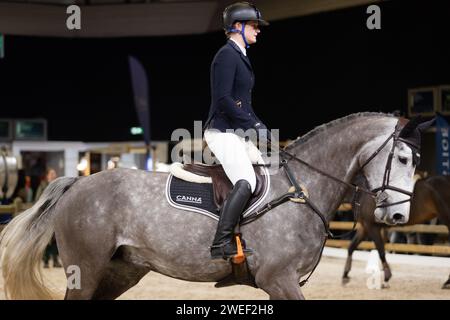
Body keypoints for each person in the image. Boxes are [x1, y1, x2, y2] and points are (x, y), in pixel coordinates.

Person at [203, 2, 269, 261]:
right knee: (247, 180)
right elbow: (223, 100)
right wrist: (254, 125)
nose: (258, 31)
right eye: (254, 26)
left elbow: (244, 104)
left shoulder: (240, 55)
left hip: (237, 132)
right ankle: (221, 242)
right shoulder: (226, 55)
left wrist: (261, 127)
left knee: (266, 169)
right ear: (238, 27)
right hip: (221, 132)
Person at [36, 168, 62, 268]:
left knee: (56, 240)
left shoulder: (58, 186)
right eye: (51, 174)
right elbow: (38, 200)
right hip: (45, 216)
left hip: (56, 216)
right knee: (46, 240)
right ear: (47, 176)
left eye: (54, 174)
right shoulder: (42, 186)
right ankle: (46, 261)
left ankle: (55, 260)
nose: (53, 175)